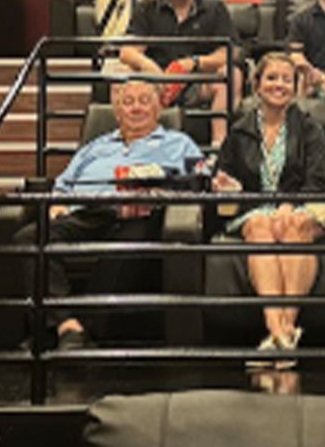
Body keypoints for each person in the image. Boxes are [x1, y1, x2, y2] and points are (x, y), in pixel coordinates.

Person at [11, 80, 204, 348]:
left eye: (144, 101)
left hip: (140, 213)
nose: (136, 108)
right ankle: (69, 326)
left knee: (124, 245)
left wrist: (156, 189)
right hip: (86, 211)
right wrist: (58, 204)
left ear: (158, 109)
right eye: (128, 102)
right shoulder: (94, 147)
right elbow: (63, 184)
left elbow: (201, 181)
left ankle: (75, 330)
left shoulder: (179, 143)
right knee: (29, 238)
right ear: (117, 112)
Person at [212, 52, 325, 367]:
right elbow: (224, 178)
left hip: (304, 206)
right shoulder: (239, 132)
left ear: (295, 88)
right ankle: (280, 332)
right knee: (260, 227)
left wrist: (289, 204)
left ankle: (282, 331)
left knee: (293, 225)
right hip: (255, 209)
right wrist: (226, 186)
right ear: (257, 85)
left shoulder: (311, 130)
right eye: (271, 78)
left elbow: (318, 182)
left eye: (286, 79)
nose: (279, 85)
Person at [119, 0, 240, 146]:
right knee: (120, 74)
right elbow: (127, 51)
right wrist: (150, 67)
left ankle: (220, 146)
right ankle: (126, 144)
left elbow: (230, 52)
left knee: (232, 74)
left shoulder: (215, 9)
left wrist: (194, 63)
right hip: (156, 81)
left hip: (198, 81)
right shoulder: (147, 7)